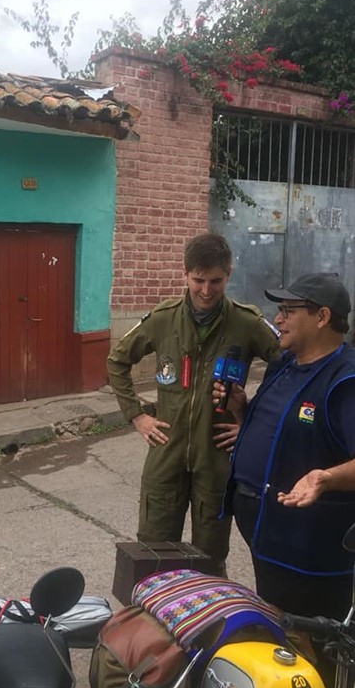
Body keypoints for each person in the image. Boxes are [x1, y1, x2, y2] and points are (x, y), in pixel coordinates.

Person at [107, 234, 280, 574]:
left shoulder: (246, 323)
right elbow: (117, 361)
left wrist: (249, 420)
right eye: (198, 280)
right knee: (153, 552)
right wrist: (137, 415)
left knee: (210, 557)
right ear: (184, 274)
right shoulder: (163, 319)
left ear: (228, 274)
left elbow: (287, 367)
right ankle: (153, 621)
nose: (205, 290)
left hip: (216, 456)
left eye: (215, 280)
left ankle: (205, 623)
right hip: (166, 451)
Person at [216, 273, 355, 621]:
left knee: (311, 637)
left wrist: (325, 478)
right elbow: (280, 428)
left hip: (309, 545)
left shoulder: (345, 380)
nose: (277, 319)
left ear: (321, 317)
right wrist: (240, 409)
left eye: (288, 310)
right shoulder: (283, 364)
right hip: (267, 531)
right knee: (278, 618)